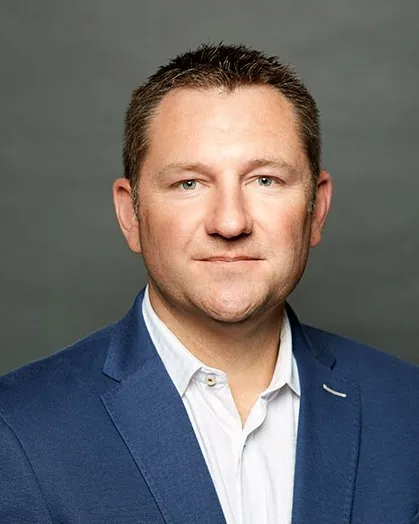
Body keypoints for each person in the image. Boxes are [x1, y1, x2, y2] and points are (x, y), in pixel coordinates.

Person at [0, 43, 418, 524]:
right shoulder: (17, 428)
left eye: (264, 180)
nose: (230, 221)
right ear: (130, 214)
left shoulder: (409, 410)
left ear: (316, 209)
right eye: (189, 184)